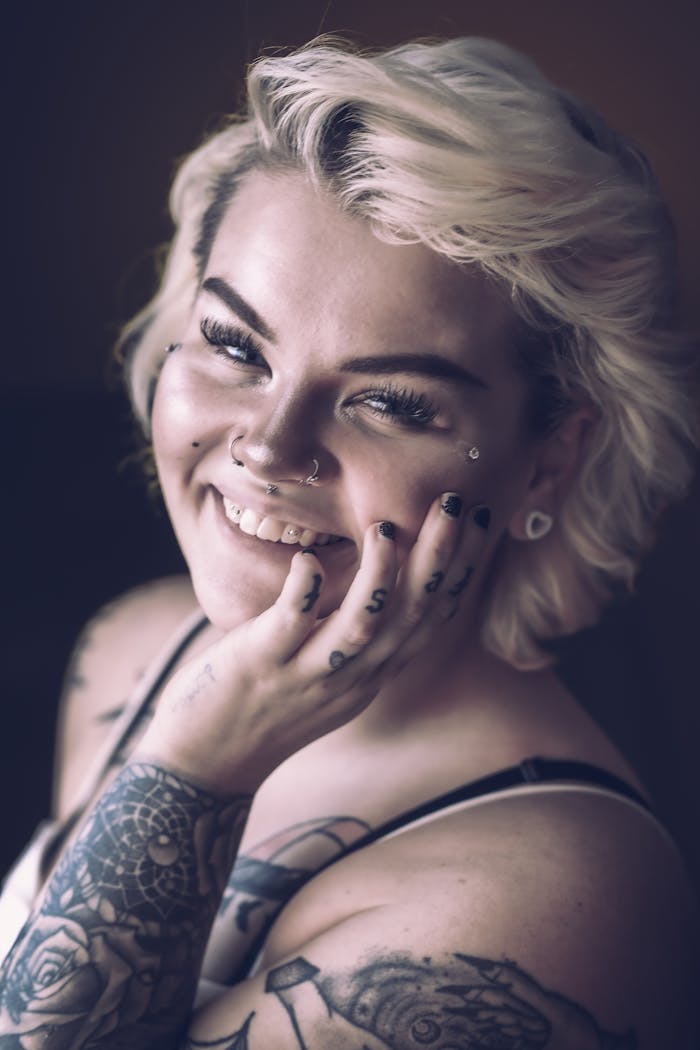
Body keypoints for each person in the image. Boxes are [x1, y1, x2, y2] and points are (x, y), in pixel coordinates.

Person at [0, 34, 697, 1050]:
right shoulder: (134, 645)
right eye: (235, 346)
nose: (272, 447)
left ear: (545, 459)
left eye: (388, 403)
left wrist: (196, 766)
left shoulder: (554, 895)